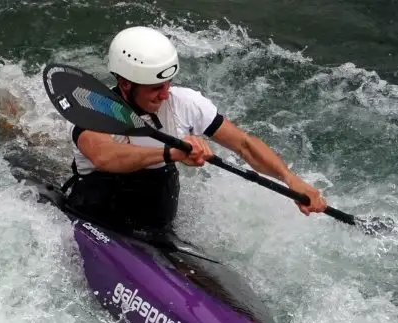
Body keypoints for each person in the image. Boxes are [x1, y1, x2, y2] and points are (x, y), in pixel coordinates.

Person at [64, 26, 328, 234]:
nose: (166, 95)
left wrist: (290, 179)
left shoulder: (185, 102)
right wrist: (172, 153)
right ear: (124, 83)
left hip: (154, 218)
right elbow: (105, 156)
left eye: (168, 84)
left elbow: (244, 145)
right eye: (155, 88)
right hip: (95, 214)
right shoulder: (90, 108)